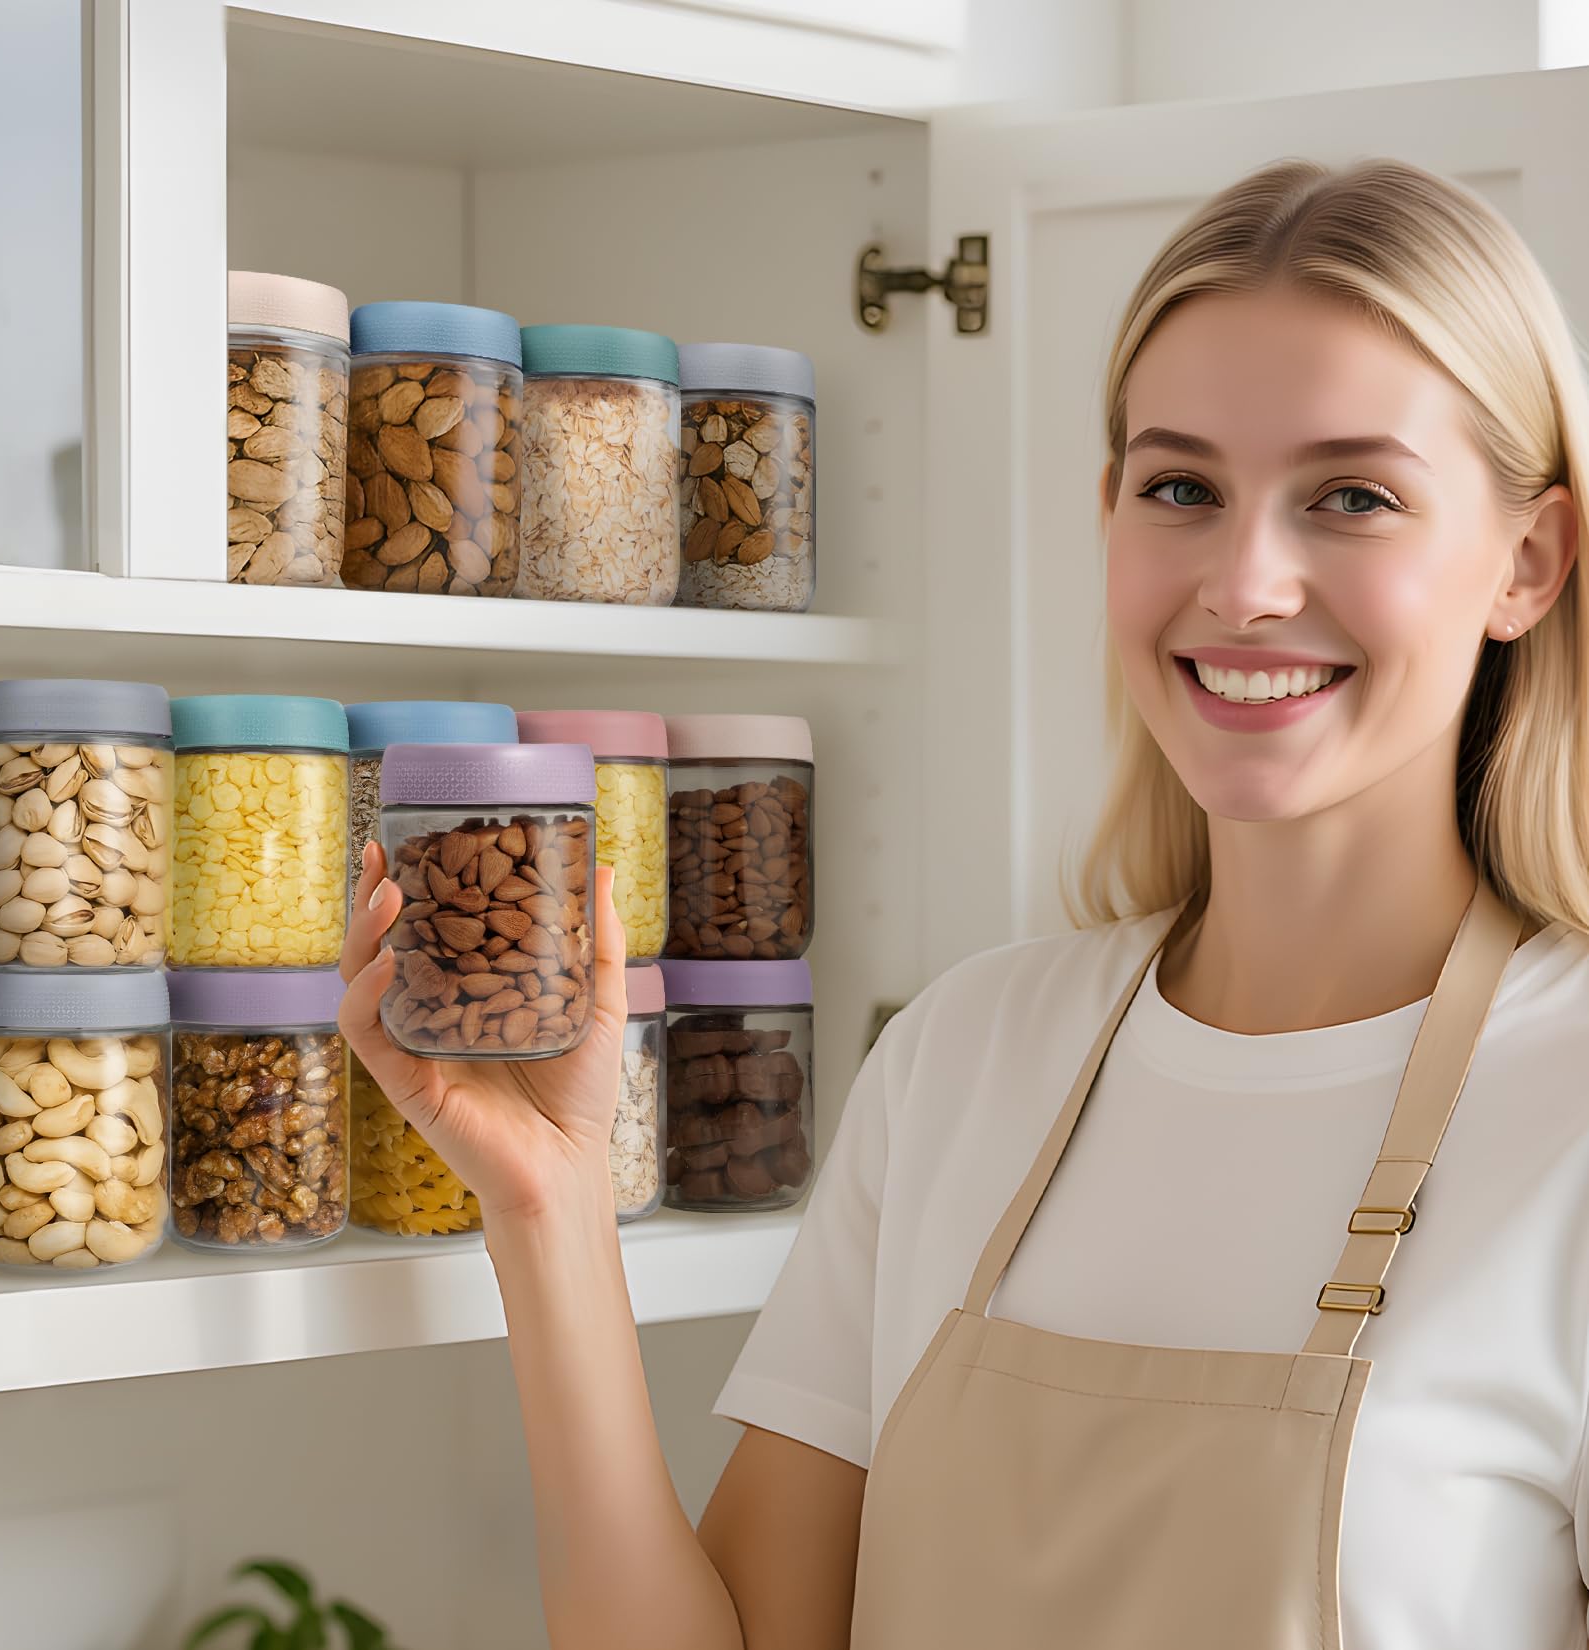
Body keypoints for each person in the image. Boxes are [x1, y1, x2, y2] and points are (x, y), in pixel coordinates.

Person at [339, 155, 1589, 1648]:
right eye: (1179, 486)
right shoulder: (966, 1054)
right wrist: (548, 1203)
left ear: (1525, 560)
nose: (1245, 581)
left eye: (1352, 496)